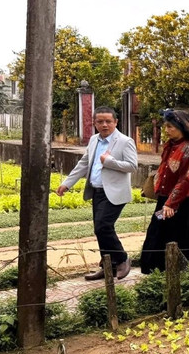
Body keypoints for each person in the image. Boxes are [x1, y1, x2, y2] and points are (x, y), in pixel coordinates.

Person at [58, 107, 137, 280]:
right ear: (94, 123)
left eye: (108, 121)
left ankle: (122, 259)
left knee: (103, 226)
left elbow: (132, 166)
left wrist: (109, 161)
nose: (104, 125)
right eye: (100, 121)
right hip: (97, 191)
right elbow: (84, 163)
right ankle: (108, 266)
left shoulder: (125, 141)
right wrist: (67, 183)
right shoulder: (94, 140)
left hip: (115, 192)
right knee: (99, 229)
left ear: (116, 122)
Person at [140, 110, 189, 273]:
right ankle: (157, 273)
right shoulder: (170, 146)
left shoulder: (188, 149)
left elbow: (188, 178)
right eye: (166, 126)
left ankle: (180, 275)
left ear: (182, 127)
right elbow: (164, 171)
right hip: (165, 202)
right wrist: (154, 188)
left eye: (170, 126)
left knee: (180, 238)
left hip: (184, 204)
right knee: (156, 232)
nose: (167, 130)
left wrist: (171, 203)